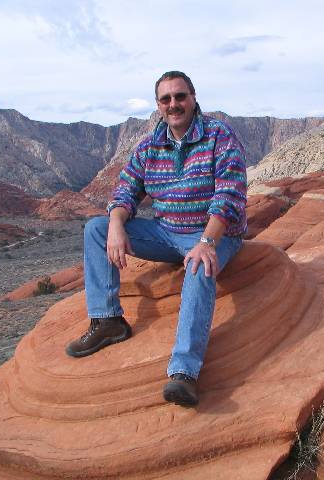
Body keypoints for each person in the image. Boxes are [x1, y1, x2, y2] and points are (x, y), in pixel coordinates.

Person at [65, 71, 247, 407]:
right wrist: (116, 222)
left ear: (193, 98)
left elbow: (230, 194)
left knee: (199, 266)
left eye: (180, 96)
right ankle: (108, 321)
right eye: (166, 99)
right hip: (165, 233)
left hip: (212, 233)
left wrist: (207, 242)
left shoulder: (218, 135)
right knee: (96, 229)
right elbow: (126, 189)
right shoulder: (150, 145)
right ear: (158, 105)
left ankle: (184, 372)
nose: (173, 104)